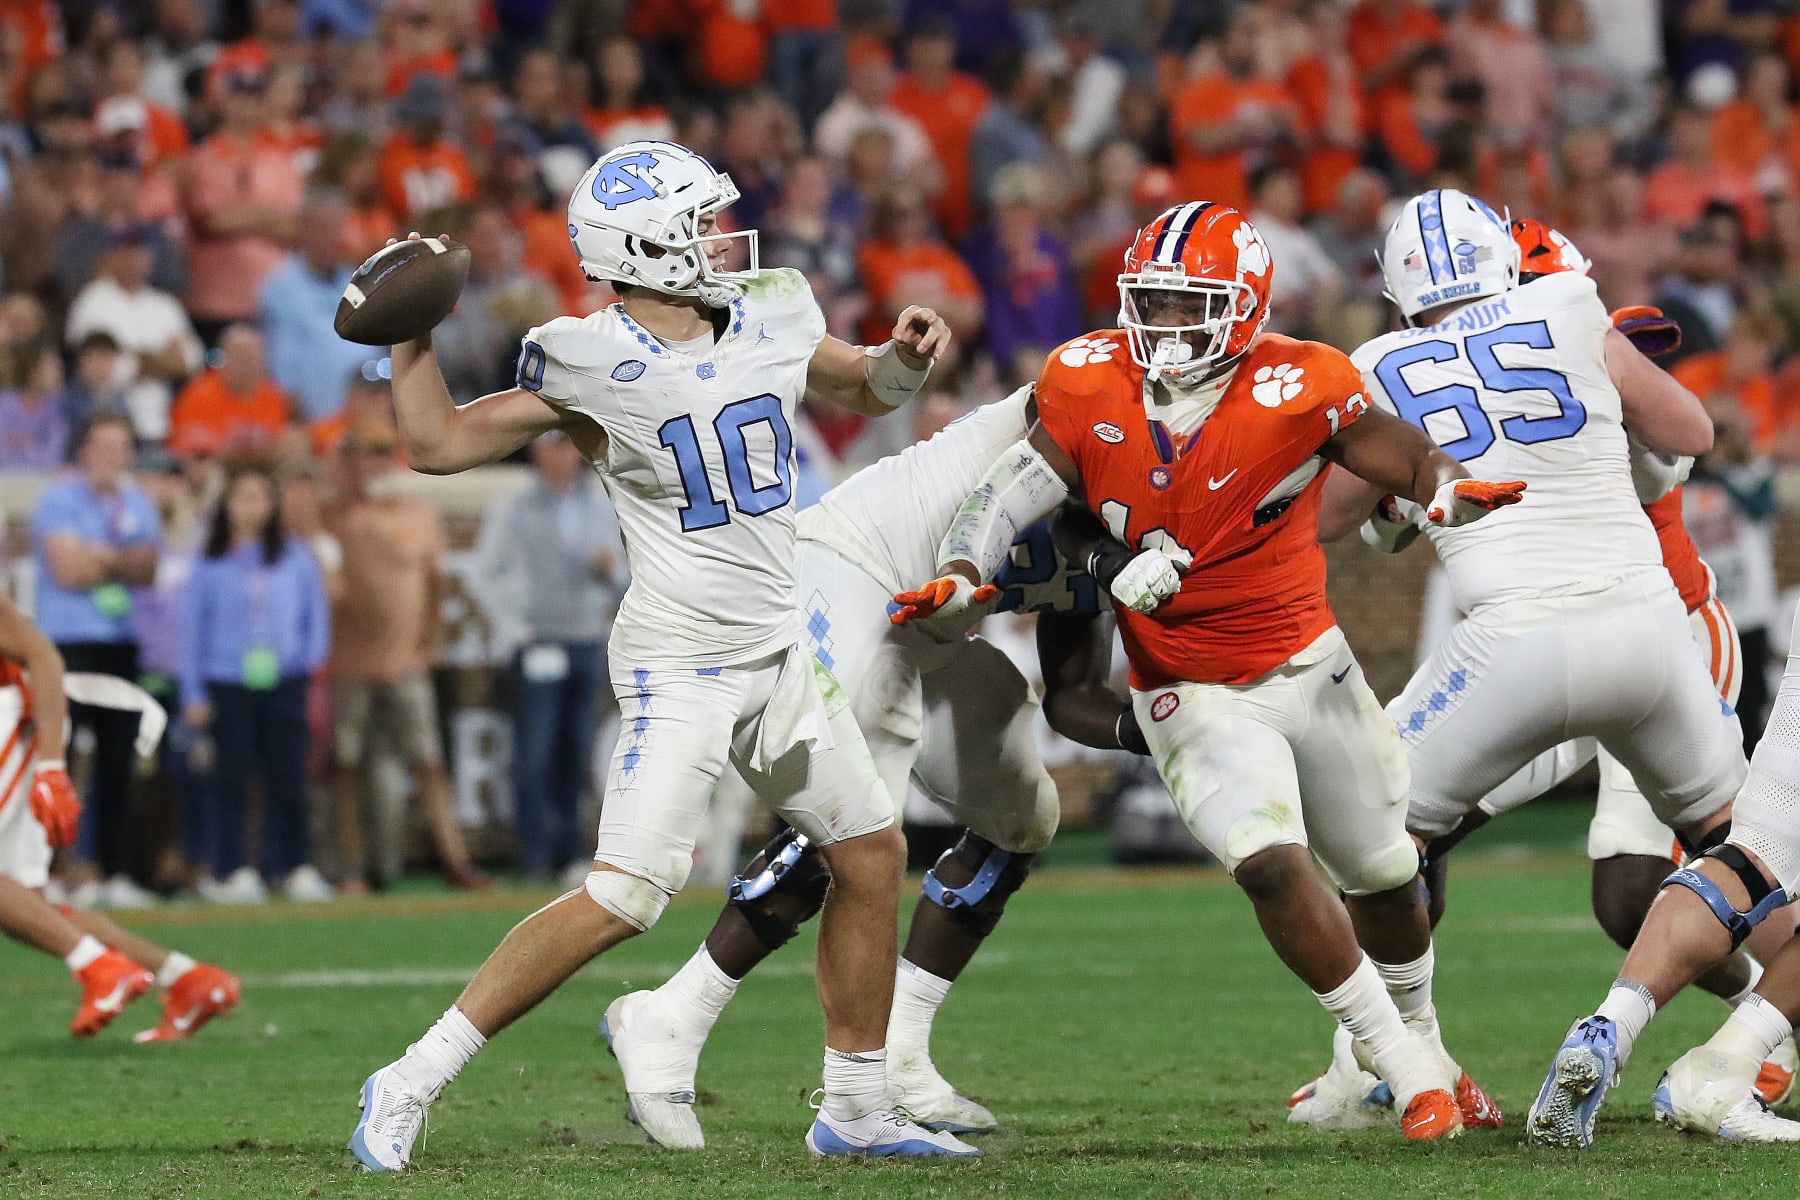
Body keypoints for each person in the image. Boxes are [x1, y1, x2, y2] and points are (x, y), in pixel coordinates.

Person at [347, 139, 971, 1170]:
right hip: (682, 658)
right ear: (641, 246)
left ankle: (857, 1108)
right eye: (695, 226)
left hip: (778, 645)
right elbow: (439, 446)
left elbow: (864, 390)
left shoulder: (773, 305)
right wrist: (411, 339)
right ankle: (412, 1075)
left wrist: (902, 357)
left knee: (870, 852)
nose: (718, 240)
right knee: (629, 894)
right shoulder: (583, 354)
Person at [895, 200, 1527, 1140]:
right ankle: (1406, 1069)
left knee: (1387, 871)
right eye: (1150, 302)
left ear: (1246, 306)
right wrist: (959, 569)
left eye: (1191, 306)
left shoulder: (1302, 379)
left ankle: (1416, 1051)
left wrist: (1441, 486)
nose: (1165, 326)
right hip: (1190, 685)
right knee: (1269, 863)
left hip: (1311, 664)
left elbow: (1400, 450)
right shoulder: (1083, 377)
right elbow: (1009, 491)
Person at [1294, 217, 1791, 1128]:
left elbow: (1330, 518)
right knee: (1750, 858)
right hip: (1649, 627)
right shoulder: (1568, 307)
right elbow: (1690, 426)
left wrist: (1399, 490)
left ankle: (1405, 1061)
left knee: (1374, 841)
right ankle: (1764, 1032)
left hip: (1515, 640)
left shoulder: (1379, 361)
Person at [600, 384, 1143, 1147]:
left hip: (931, 629)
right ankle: (675, 1019)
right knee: (857, 820)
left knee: (1023, 816)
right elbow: (1055, 452)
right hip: (850, 568)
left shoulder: (1133, 522)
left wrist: (1148, 727)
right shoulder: (1084, 405)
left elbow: (1075, 692)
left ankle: (903, 1057)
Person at [0, 588, 239, 1042]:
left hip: (10, 716)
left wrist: (52, 765)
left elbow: (42, 655)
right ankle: (186, 978)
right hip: (16, 722)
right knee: (27, 909)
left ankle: (100, 966)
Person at [327, 421, 485, 894]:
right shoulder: (331, 515)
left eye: (379, 452)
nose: (370, 463)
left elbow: (436, 585)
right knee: (346, 764)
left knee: (428, 762)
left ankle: (456, 860)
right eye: (360, 453)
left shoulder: (418, 514)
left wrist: (430, 640)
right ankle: (351, 866)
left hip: (405, 661)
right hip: (346, 662)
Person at [470, 430, 624, 883]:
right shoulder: (513, 509)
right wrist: (513, 628)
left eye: (566, 445)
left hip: (586, 636)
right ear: (538, 452)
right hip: (538, 640)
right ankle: (537, 852)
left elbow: (628, 572)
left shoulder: (601, 506)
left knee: (576, 749)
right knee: (535, 751)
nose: (562, 455)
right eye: (553, 445)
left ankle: (571, 850)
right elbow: (484, 573)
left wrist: (609, 571)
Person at [178, 466, 331, 902]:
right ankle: (231, 869)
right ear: (226, 505)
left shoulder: (295, 556)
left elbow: (314, 614)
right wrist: (192, 692)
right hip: (226, 680)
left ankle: (295, 865)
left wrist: (307, 662)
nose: (251, 507)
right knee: (229, 778)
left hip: (284, 679)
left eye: (260, 497)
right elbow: (190, 630)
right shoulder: (209, 562)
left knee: (289, 775)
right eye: (242, 497)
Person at [29, 415, 161, 905]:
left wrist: (97, 558)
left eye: (121, 446)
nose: (113, 456)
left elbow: (147, 568)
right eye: (103, 446)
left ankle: (114, 872)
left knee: (118, 761)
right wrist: (116, 560)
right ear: (84, 451)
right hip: (65, 643)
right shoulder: (58, 498)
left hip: (119, 641)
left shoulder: (139, 503)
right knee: (55, 758)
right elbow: (67, 570)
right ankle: (49, 872)